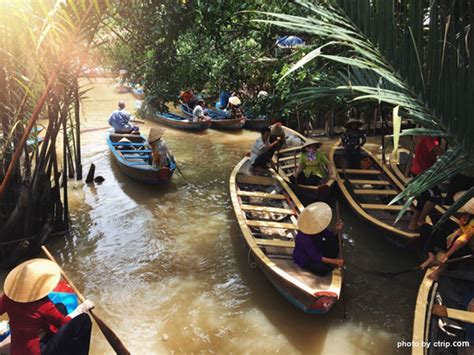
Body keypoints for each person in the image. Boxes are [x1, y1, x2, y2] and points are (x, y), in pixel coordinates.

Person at [0, 258, 94, 355]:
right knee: (83, 320)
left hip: (18, 348)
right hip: (37, 351)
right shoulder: (42, 304)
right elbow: (64, 323)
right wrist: (80, 310)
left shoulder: (8, 297)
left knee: (60, 306)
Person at [420, 191, 474, 280]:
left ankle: (440, 270)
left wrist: (446, 256)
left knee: (457, 245)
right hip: (459, 238)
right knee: (428, 228)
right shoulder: (466, 215)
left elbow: (462, 240)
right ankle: (431, 256)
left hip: (468, 247)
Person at [293, 202, 344, 276]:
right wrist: (334, 261)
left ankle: (330, 261)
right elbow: (314, 256)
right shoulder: (303, 237)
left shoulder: (318, 226)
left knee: (335, 239)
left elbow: (329, 235)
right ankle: (331, 262)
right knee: (323, 269)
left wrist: (336, 229)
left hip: (318, 249)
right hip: (306, 259)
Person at [408, 136, 443, 230]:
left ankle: (413, 223)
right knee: (436, 196)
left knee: (424, 197)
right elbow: (437, 151)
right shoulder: (429, 138)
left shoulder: (425, 136)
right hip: (422, 173)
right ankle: (420, 219)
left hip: (422, 172)